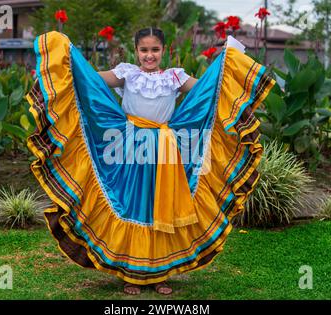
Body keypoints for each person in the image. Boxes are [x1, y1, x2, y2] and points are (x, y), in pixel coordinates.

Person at [25, 27, 275, 296]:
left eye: (154, 50)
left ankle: (159, 275)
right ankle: (132, 274)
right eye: (144, 50)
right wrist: (67, 58)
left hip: (166, 150)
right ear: (136, 51)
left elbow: (207, 89)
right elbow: (91, 82)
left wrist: (228, 62)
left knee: (162, 211)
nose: (149, 55)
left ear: (163, 51)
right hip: (129, 146)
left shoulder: (174, 77)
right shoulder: (127, 73)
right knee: (134, 207)